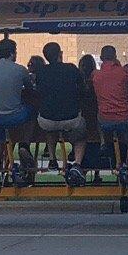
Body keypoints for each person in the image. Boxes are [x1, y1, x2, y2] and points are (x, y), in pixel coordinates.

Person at [0, 39, 35, 190]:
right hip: (14, 116)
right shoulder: (20, 69)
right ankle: (24, 143)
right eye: (15, 52)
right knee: (32, 111)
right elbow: (30, 89)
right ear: (12, 53)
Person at [33, 41, 88, 185]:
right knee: (81, 134)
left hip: (47, 119)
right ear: (60, 54)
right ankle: (77, 164)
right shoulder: (71, 68)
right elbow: (84, 89)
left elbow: (37, 90)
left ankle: (52, 159)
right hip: (71, 118)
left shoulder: (41, 72)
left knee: (50, 127)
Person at [92, 43, 128, 182]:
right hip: (125, 117)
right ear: (116, 56)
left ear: (101, 58)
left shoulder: (96, 75)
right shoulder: (124, 72)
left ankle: (104, 143)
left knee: (98, 117)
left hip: (105, 120)